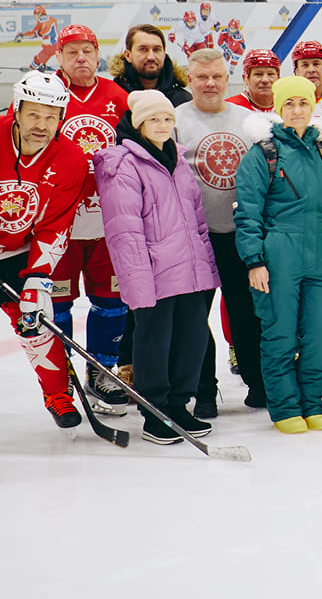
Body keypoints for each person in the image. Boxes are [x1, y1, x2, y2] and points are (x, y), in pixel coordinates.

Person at [0, 70, 89, 427]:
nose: (41, 125)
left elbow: (55, 224)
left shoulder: (70, 159)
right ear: (17, 110)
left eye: (51, 117)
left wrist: (38, 277)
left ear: (61, 118)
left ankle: (58, 396)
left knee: (36, 317)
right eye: (34, 114)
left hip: (16, 249)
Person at [97, 91, 220, 445]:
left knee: (192, 340)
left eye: (167, 119)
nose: (163, 125)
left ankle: (178, 406)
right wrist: (137, 283)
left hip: (190, 271)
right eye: (154, 119)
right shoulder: (123, 165)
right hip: (154, 273)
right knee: (155, 343)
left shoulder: (177, 160)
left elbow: (197, 218)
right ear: (139, 124)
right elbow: (125, 231)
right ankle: (155, 414)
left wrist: (207, 266)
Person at [235, 78, 322, 434]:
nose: (297, 110)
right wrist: (254, 261)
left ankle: (312, 404)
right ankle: (284, 408)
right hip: (280, 250)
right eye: (289, 104)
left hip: (320, 252)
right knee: (279, 333)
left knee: (320, 335)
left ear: (313, 106)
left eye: (303, 103)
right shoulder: (263, 154)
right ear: (279, 109)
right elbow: (247, 213)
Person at [175, 48, 271, 412]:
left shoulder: (248, 121)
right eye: (202, 77)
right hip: (195, 238)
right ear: (190, 80)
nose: (210, 83)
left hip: (240, 236)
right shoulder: (176, 120)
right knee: (193, 319)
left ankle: (257, 383)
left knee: (247, 313)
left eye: (217, 76)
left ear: (228, 79)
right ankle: (203, 390)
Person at [49, 23, 133, 413]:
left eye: (87, 51)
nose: (81, 58)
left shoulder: (118, 97)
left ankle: (101, 371)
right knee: (56, 306)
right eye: (72, 52)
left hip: (108, 224)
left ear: (98, 54)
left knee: (112, 301)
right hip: (58, 225)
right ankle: (61, 375)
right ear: (59, 56)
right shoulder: (43, 94)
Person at [106, 23, 191, 106]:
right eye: (143, 49)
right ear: (128, 55)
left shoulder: (183, 102)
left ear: (164, 53)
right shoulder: (111, 98)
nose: (151, 57)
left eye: (156, 50)